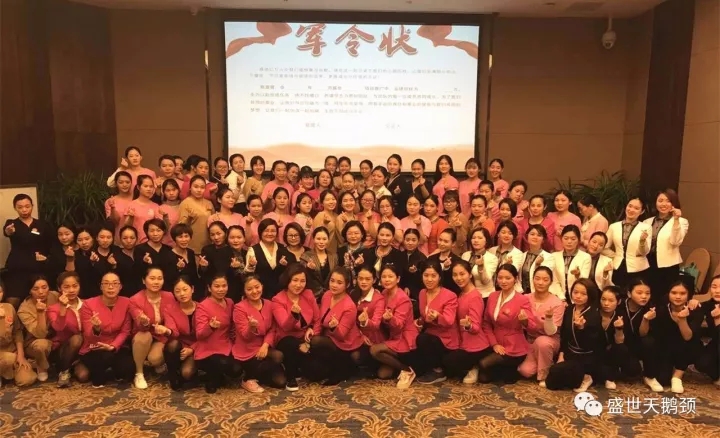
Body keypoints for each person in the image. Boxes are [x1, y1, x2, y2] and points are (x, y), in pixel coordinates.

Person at [478, 264, 532, 383]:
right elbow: (486, 323)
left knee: (486, 365)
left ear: (515, 279)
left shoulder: (522, 299)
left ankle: (510, 369)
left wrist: (524, 320)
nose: (503, 281)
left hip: (514, 346)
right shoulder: (493, 296)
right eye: (500, 278)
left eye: (508, 278)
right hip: (495, 342)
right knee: (483, 377)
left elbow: (530, 325)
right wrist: (494, 344)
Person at [545, 279, 602, 392]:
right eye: (575, 292)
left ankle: (587, 377)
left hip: (586, 357)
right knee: (553, 379)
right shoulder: (569, 309)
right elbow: (564, 335)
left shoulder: (594, 314)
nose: (578, 296)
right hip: (570, 353)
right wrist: (561, 355)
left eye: (583, 294)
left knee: (562, 376)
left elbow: (593, 343)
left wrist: (581, 328)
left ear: (590, 295)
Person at [311, 267, 365, 385]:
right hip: (328, 338)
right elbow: (320, 319)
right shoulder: (327, 295)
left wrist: (334, 327)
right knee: (312, 373)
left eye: (339, 283)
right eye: (332, 281)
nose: (334, 285)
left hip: (345, 343)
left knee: (316, 341)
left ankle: (344, 367)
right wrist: (314, 333)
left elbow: (342, 336)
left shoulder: (349, 306)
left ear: (347, 285)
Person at [79, 272, 134, 388]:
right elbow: (87, 335)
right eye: (106, 283)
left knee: (128, 370)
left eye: (115, 283)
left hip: (116, 346)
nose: (110, 287)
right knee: (98, 379)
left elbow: (125, 331)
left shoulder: (126, 302)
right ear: (101, 286)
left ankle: (114, 368)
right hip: (94, 347)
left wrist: (113, 346)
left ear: (120, 287)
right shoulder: (88, 304)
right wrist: (96, 328)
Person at [369, 264, 419, 389]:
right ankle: (401, 367)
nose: (387, 279)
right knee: (383, 374)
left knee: (374, 350)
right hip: (392, 337)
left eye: (390, 276)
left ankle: (407, 370)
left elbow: (399, 325)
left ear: (398, 279)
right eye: (384, 276)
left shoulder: (403, 299)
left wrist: (390, 319)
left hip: (404, 338)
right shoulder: (384, 293)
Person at [272, 263, 321, 391]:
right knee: (290, 343)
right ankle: (290, 377)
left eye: (302, 281)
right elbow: (285, 326)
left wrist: (312, 330)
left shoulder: (308, 294)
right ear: (287, 280)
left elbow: (317, 320)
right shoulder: (278, 300)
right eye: (295, 280)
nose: (299, 285)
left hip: (305, 340)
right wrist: (293, 315)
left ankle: (299, 365)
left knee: (316, 373)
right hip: (285, 340)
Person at [232, 276, 286, 393]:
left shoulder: (269, 304)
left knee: (281, 382)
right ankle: (247, 378)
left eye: (257, 287)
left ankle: (261, 373)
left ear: (262, 286)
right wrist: (251, 327)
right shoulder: (239, 308)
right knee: (277, 357)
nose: (254, 291)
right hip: (247, 349)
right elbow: (245, 335)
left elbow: (272, 329)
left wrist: (265, 345)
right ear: (244, 291)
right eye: (249, 289)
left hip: (264, 346)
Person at [441, 261, 490, 384]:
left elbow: (476, 327)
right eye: (455, 275)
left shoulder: (475, 297)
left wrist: (468, 325)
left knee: (448, 363)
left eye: (462, 274)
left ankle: (474, 366)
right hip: (463, 342)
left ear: (470, 274)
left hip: (476, 345)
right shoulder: (462, 293)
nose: (458, 278)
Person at [2, 194, 54, 306]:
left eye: (27, 206)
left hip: (38, 268)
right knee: (12, 300)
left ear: (32, 206)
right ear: (15, 208)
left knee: (40, 299)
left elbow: (50, 244)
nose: (24, 210)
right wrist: (9, 231)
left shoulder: (42, 224)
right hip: (17, 268)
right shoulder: (12, 223)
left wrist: (46, 257)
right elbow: (7, 232)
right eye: (20, 207)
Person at [129, 267, 176, 389]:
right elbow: (139, 324)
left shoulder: (169, 296)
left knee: (155, 359)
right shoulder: (135, 299)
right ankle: (139, 373)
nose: (156, 282)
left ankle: (157, 362)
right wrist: (144, 322)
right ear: (144, 280)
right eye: (152, 278)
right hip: (142, 334)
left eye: (159, 278)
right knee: (144, 335)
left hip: (161, 335)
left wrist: (167, 330)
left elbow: (172, 318)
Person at [517, 267, 564, 387]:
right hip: (530, 341)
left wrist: (548, 318)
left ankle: (545, 376)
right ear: (532, 279)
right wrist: (524, 322)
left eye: (545, 280)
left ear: (550, 282)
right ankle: (548, 362)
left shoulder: (557, 303)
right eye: (537, 279)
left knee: (542, 342)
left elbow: (551, 331)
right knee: (525, 371)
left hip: (550, 340)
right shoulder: (525, 298)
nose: (540, 282)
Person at [414, 261, 459, 384]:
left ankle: (438, 371)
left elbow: (449, 321)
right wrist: (419, 321)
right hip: (430, 334)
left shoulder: (450, 295)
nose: (429, 279)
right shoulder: (422, 293)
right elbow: (424, 316)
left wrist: (438, 316)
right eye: (426, 275)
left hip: (446, 339)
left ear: (439, 277)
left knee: (422, 339)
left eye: (433, 276)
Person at [643, 190, 689, 304]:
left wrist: (676, 220)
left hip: (668, 266)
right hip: (648, 263)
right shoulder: (647, 222)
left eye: (668, 201)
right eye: (660, 200)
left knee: (664, 298)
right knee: (648, 296)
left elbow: (675, 242)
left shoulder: (682, 221)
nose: (663, 204)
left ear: (674, 203)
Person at [194, 274, 234, 393]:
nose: (221, 289)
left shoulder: (230, 302)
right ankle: (212, 378)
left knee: (236, 370)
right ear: (209, 288)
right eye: (217, 286)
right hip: (208, 348)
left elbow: (232, 326)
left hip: (226, 344)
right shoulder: (202, 306)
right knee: (221, 363)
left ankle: (217, 375)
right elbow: (199, 334)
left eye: (224, 286)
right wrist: (210, 327)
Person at [47, 272, 88, 387]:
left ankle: (73, 366)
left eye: (75, 286)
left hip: (83, 350)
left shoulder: (87, 304)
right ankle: (64, 371)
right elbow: (58, 327)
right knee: (77, 339)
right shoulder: (53, 308)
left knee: (83, 376)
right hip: (63, 349)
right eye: (66, 287)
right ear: (59, 288)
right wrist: (63, 308)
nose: (71, 290)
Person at [17, 276, 59, 383]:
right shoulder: (24, 309)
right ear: (30, 291)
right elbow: (40, 334)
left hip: (56, 336)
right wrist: (40, 313)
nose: (41, 292)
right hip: (34, 342)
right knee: (41, 345)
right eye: (35, 289)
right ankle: (41, 366)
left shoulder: (55, 296)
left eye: (44, 287)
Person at [606, 198, 652, 289]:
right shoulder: (614, 226)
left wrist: (642, 241)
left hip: (639, 269)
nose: (631, 210)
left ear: (642, 211)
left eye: (636, 208)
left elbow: (644, 252)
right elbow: (604, 247)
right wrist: (615, 255)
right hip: (617, 267)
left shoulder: (646, 227)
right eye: (630, 206)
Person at [162, 276, 198, 391]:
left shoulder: (202, 308)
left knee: (187, 373)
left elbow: (205, 335)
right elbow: (174, 333)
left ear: (192, 289)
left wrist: (192, 349)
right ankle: (172, 375)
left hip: (199, 346)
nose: (182, 294)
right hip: (180, 346)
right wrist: (167, 331)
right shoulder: (169, 309)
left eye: (185, 289)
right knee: (172, 344)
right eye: (177, 291)